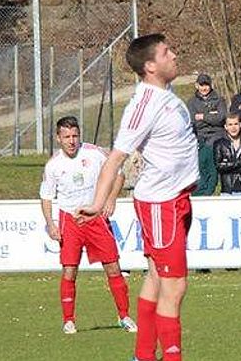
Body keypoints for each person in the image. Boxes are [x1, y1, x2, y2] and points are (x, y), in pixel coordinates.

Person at [77, 33, 199, 361]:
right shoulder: (142, 105)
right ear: (150, 66)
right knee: (175, 286)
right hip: (161, 204)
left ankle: (143, 356)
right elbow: (114, 159)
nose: (174, 55)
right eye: (166, 52)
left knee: (157, 278)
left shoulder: (166, 93)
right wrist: (97, 203)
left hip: (177, 199)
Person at [39, 116, 136, 335]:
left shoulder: (94, 153)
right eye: (66, 137)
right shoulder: (53, 165)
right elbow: (46, 197)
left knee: (113, 267)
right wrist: (51, 224)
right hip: (70, 220)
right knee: (69, 270)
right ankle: (68, 320)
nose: (71, 141)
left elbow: (119, 174)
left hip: (95, 218)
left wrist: (111, 199)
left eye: (75, 136)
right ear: (58, 138)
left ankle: (124, 316)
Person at [187, 73, 227, 196]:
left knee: (209, 158)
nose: (204, 88)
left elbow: (221, 118)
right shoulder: (191, 102)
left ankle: (208, 189)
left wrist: (203, 116)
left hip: (217, 134)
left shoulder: (219, 100)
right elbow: (193, 121)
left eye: (206, 85)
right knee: (200, 164)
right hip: (199, 135)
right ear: (197, 86)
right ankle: (200, 190)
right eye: (202, 85)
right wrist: (211, 116)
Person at [214, 113, 241, 195]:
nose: (233, 128)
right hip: (228, 192)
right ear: (225, 127)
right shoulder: (219, 144)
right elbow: (219, 167)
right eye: (230, 125)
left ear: (240, 125)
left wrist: (230, 167)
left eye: (236, 124)